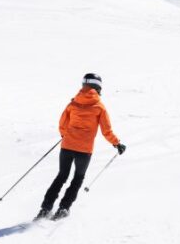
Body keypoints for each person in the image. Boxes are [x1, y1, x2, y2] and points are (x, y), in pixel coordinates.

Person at [35, 73, 126, 221]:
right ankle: (63, 209)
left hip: (67, 146)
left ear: (84, 85)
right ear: (98, 87)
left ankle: (45, 209)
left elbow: (62, 123)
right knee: (77, 179)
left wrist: (66, 136)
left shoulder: (73, 103)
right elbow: (106, 131)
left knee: (61, 176)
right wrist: (117, 143)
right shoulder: (99, 107)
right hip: (84, 150)